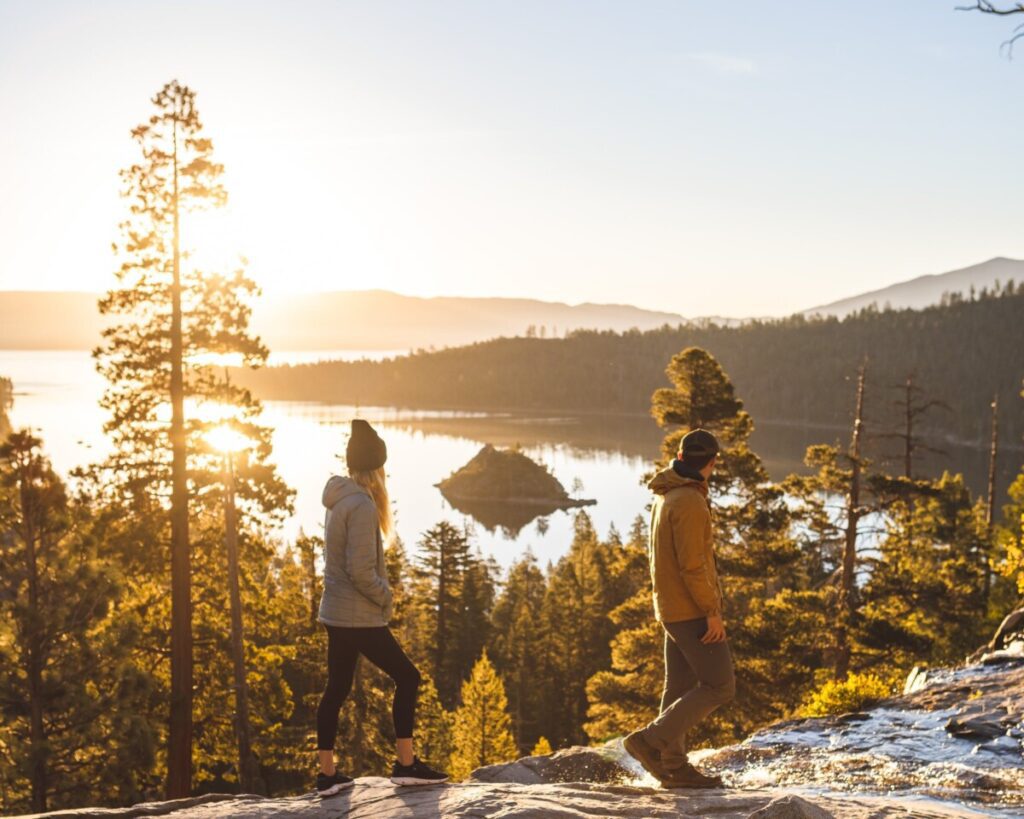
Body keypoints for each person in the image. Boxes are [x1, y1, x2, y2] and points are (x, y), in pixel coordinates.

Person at [315, 419, 449, 796]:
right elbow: (360, 571)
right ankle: (406, 765)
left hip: (336, 612)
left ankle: (327, 775)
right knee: (408, 678)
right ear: (376, 468)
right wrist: (385, 596)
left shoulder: (339, 498)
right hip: (357, 615)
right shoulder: (360, 504)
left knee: (336, 688)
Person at [623, 428, 734, 789]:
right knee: (720, 685)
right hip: (690, 611)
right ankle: (649, 742)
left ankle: (673, 766)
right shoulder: (689, 500)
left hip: (670, 607)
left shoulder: (667, 494)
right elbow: (692, 565)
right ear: (712, 463)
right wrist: (711, 610)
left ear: (682, 458)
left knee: (680, 685)